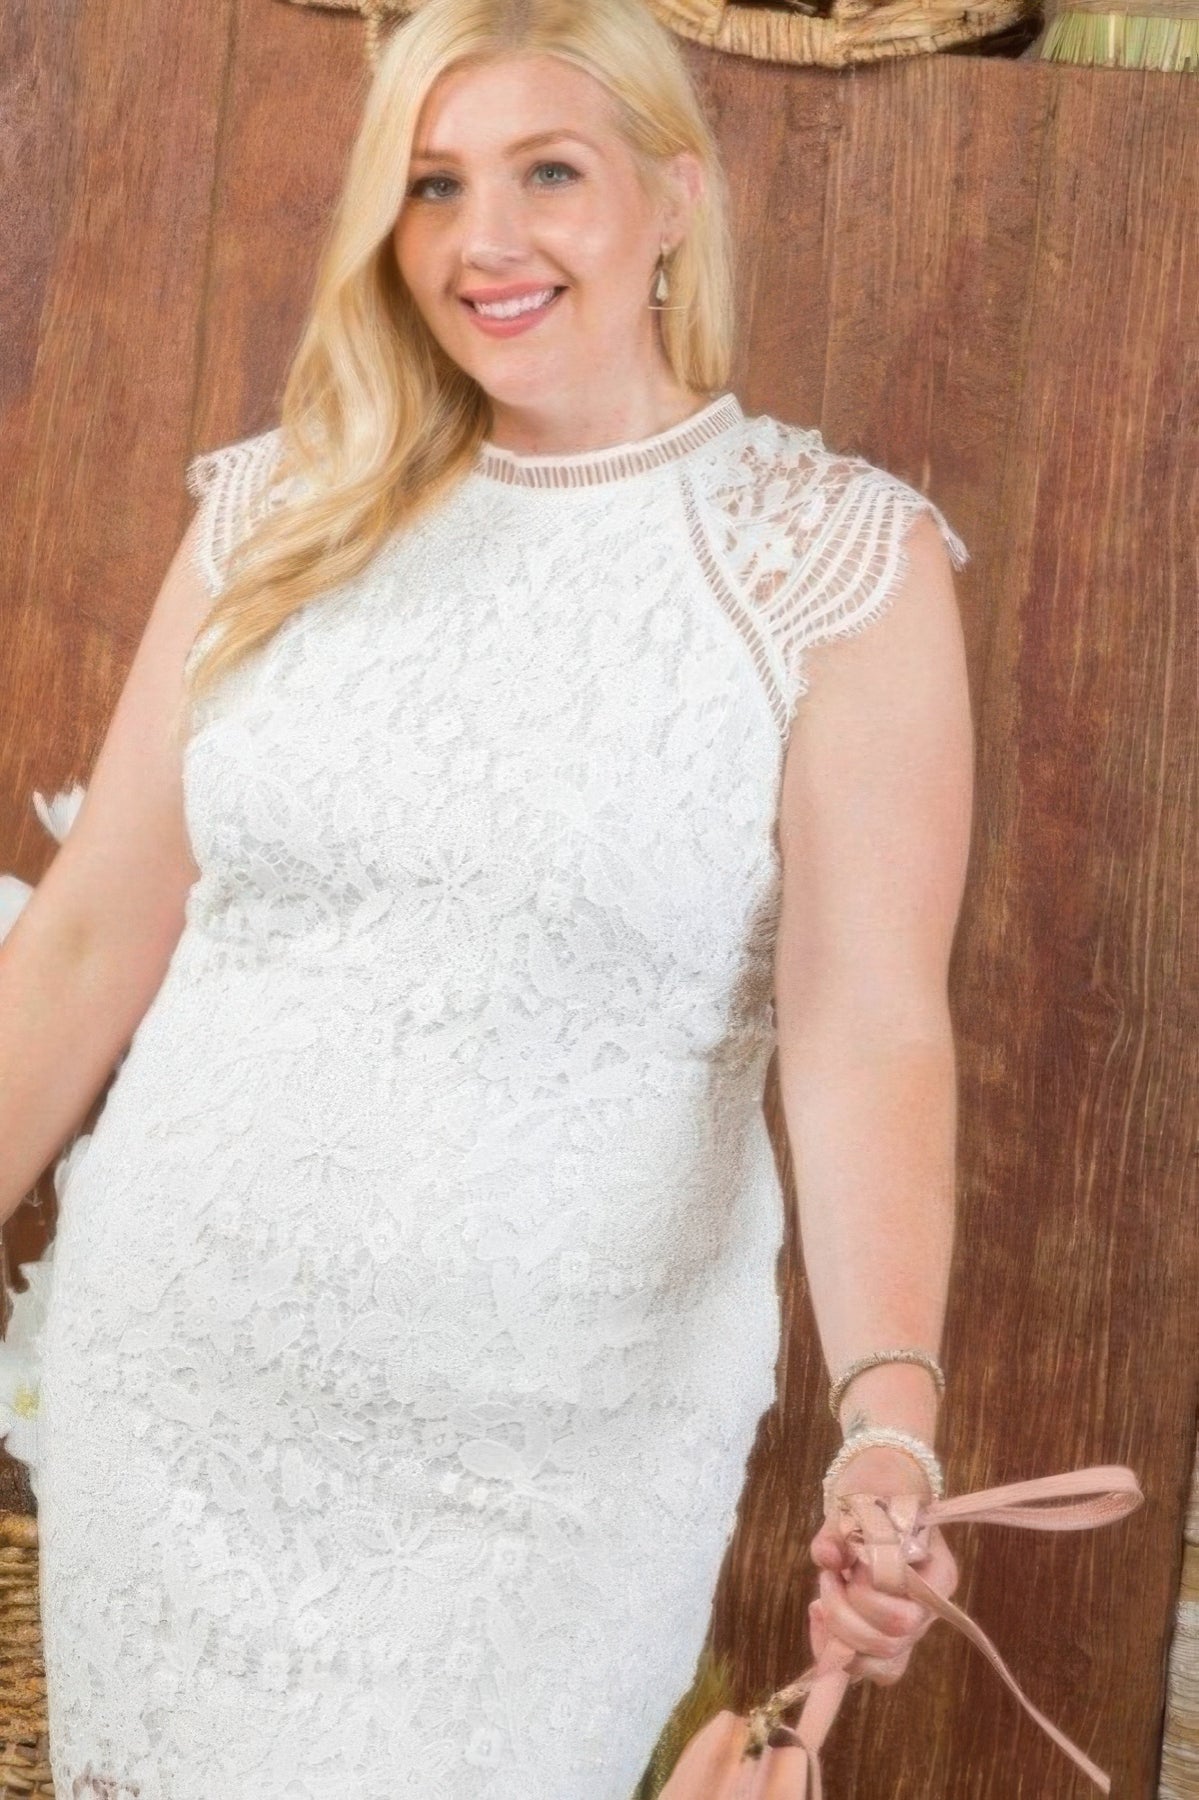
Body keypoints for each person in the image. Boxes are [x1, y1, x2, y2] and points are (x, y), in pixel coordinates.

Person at [0, 0, 974, 1793]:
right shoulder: (275, 515)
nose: (485, 240)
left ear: (674, 196)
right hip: (179, 1396)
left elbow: (867, 1029)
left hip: (550, 1472)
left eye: (550, 173)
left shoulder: (833, 560)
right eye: (434, 185)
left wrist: (887, 1427)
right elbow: (84, 935)